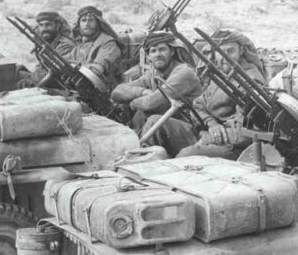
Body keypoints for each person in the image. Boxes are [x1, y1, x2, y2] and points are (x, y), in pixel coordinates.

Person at [179, 28, 268, 160]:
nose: (224, 56)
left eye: (230, 51)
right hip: (209, 130)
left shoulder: (251, 81)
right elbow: (198, 104)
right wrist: (212, 124)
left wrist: (210, 137)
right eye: (220, 51)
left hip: (234, 146)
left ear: (241, 51)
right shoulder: (221, 74)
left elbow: (246, 133)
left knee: (185, 156)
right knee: (158, 124)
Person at [110, 31, 202, 157]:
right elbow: (117, 92)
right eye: (153, 51)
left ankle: (140, 159)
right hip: (166, 128)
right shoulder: (153, 74)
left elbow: (150, 103)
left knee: (151, 119)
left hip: (190, 131)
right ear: (148, 56)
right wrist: (142, 91)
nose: (158, 55)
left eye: (162, 49)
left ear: (172, 52)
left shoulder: (183, 73)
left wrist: (133, 102)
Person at [70, 5, 122, 89]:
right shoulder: (80, 45)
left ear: (98, 23)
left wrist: (76, 68)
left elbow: (99, 67)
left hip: (104, 89)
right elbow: (68, 61)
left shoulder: (108, 43)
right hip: (80, 86)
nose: (87, 24)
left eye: (90, 20)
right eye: (83, 20)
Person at [29, 11, 76, 84]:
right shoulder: (47, 42)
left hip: (56, 83)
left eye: (48, 25)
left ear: (57, 26)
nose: (44, 29)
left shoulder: (65, 44)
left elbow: (53, 70)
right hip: (42, 78)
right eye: (41, 25)